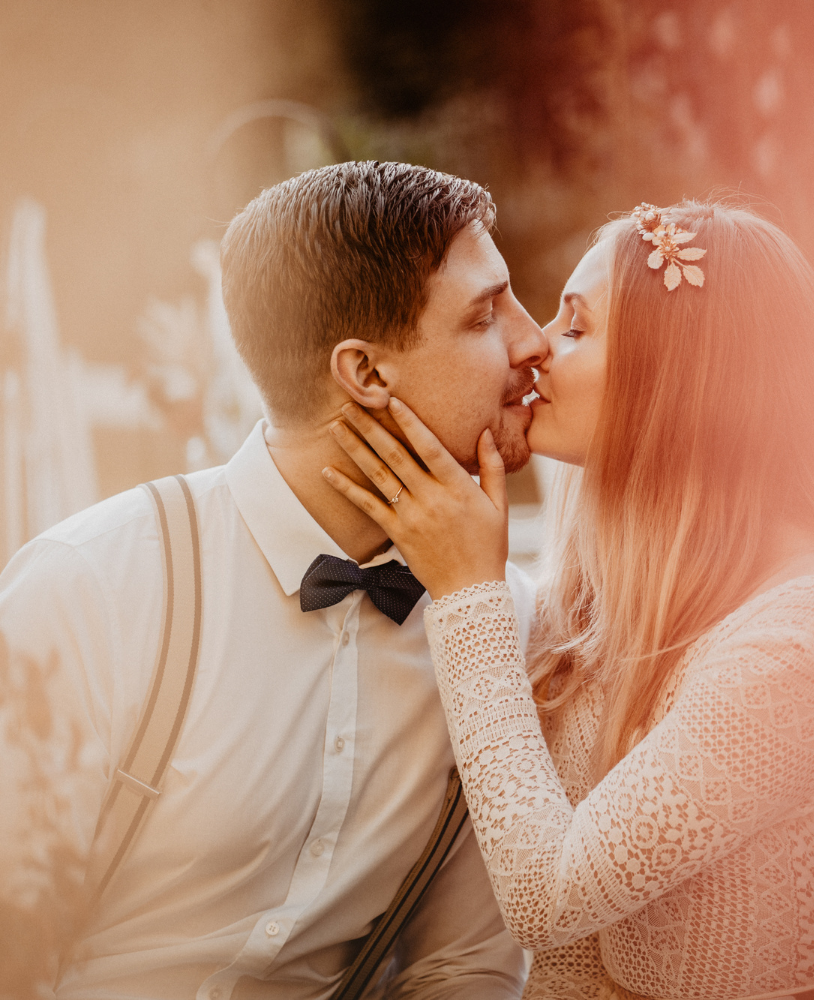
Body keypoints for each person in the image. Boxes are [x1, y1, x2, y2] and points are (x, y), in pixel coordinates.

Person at [322, 200, 814, 999]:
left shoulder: (801, 638)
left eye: (578, 329)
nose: (537, 348)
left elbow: (548, 898)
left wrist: (469, 591)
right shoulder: (611, 586)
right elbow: (574, 966)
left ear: (681, 380)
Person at [0, 161, 547, 998]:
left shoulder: (493, 619)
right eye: (484, 315)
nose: (533, 340)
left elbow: (461, 968)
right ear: (364, 374)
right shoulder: (90, 590)